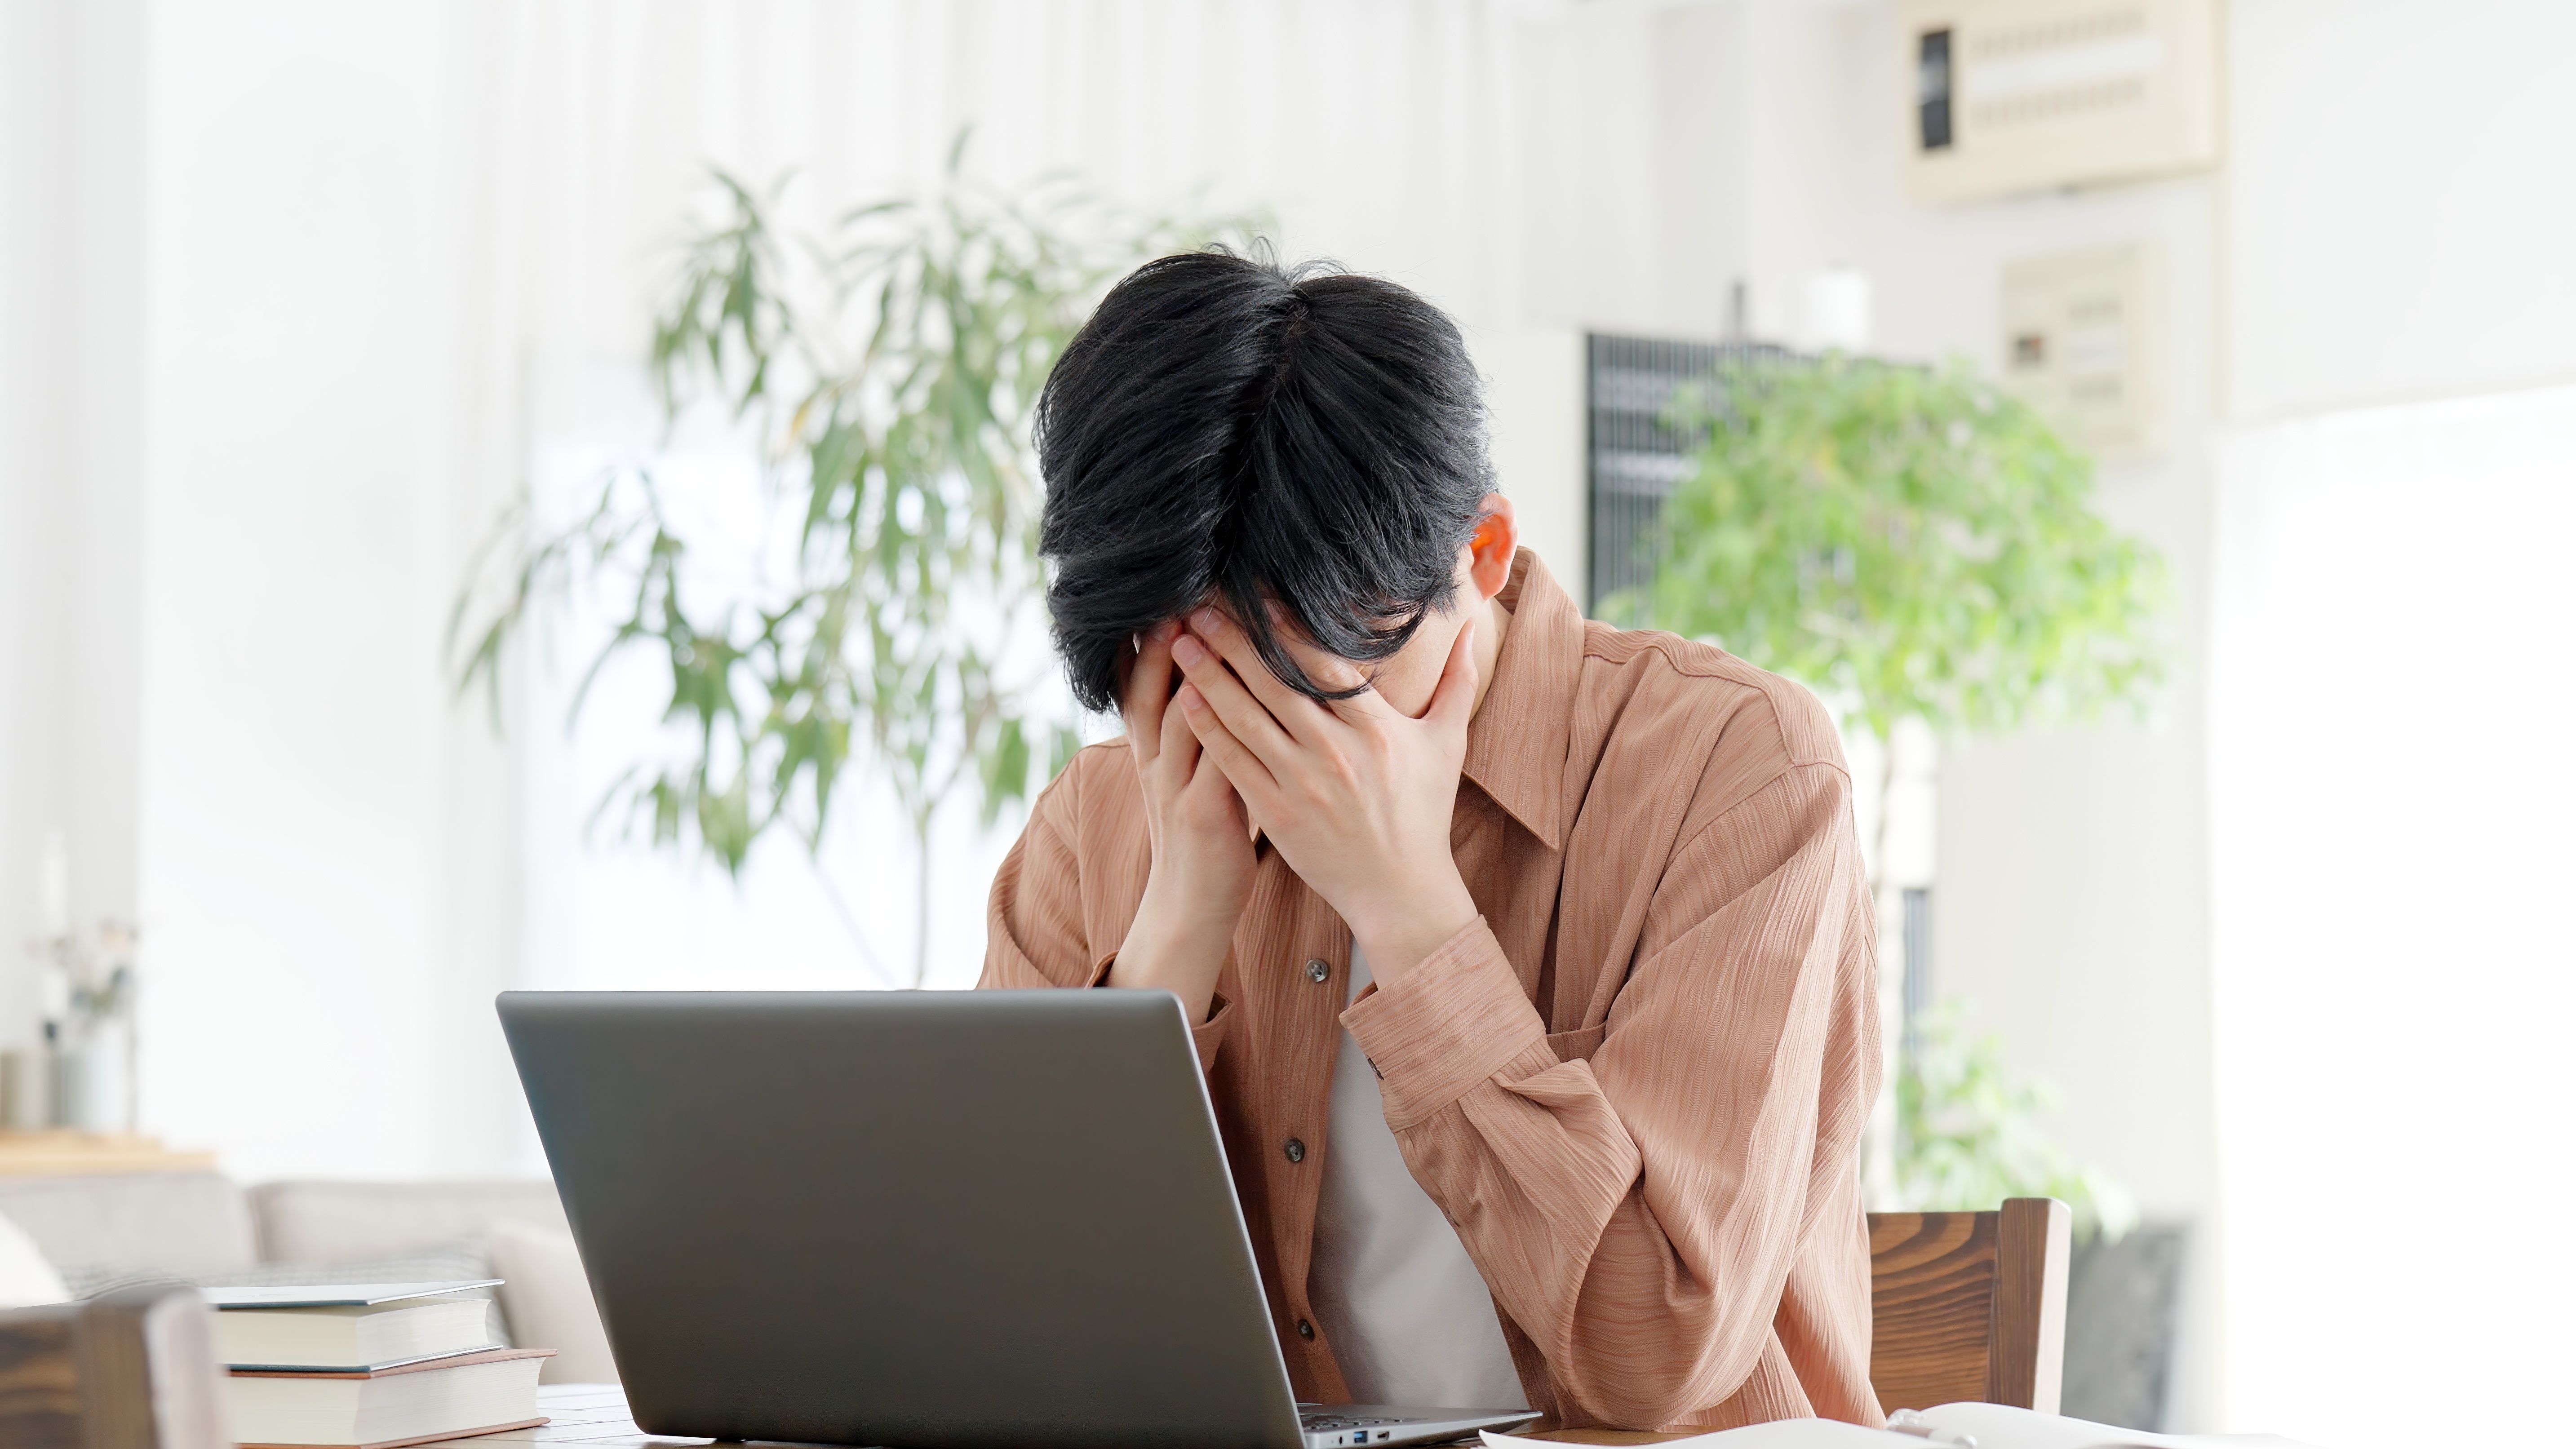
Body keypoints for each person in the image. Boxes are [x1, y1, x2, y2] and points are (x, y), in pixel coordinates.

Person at [981, 251, 1883, 1433]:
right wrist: (1177, 929)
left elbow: (1655, 1357)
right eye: (1196, 684)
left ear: (1485, 553)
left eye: (1315, 689)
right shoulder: (1091, 827)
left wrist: (1408, 904)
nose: (1261, 742)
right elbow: (1001, 1340)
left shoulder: (1736, 773)